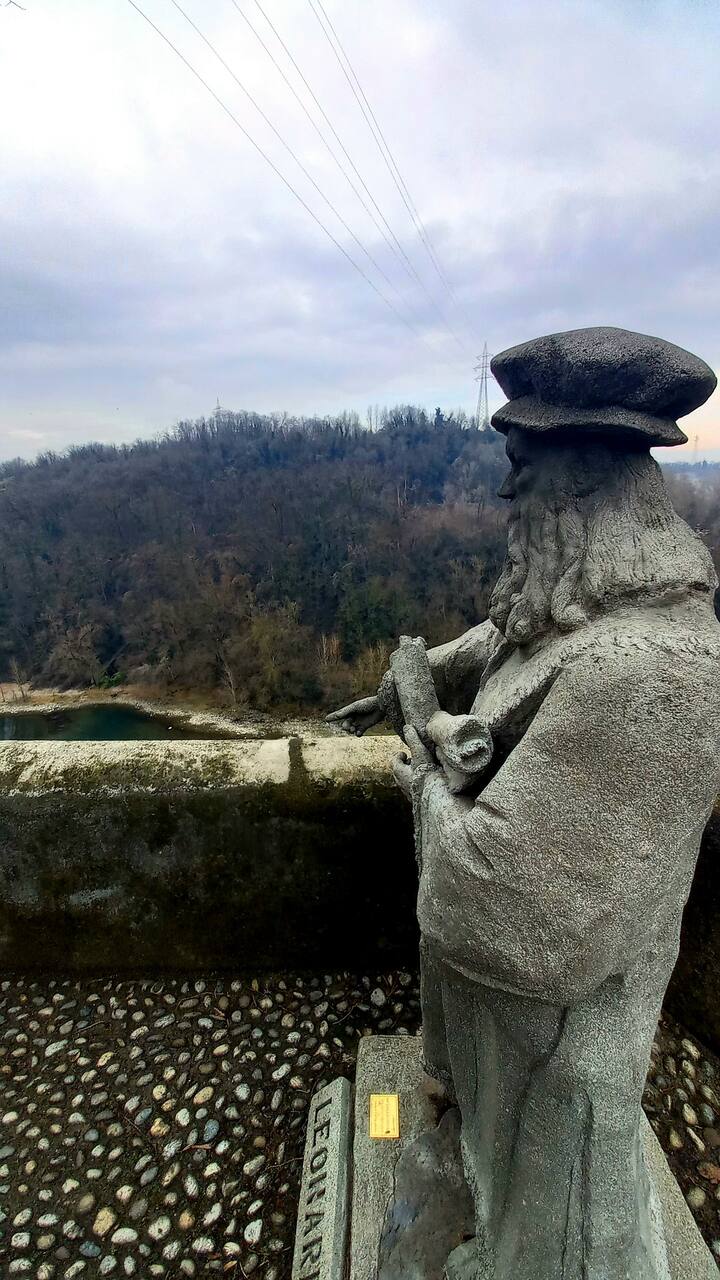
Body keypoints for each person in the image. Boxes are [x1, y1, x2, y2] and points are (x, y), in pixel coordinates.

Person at [329, 328, 720, 1279]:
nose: (507, 493)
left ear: (581, 481)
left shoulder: (653, 673)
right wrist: (415, 682)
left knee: (548, 1239)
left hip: (553, 1061)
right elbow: (511, 641)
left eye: (521, 466)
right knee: (466, 1140)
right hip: (496, 1045)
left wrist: (426, 771)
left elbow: (506, 905)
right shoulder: (589, 602)